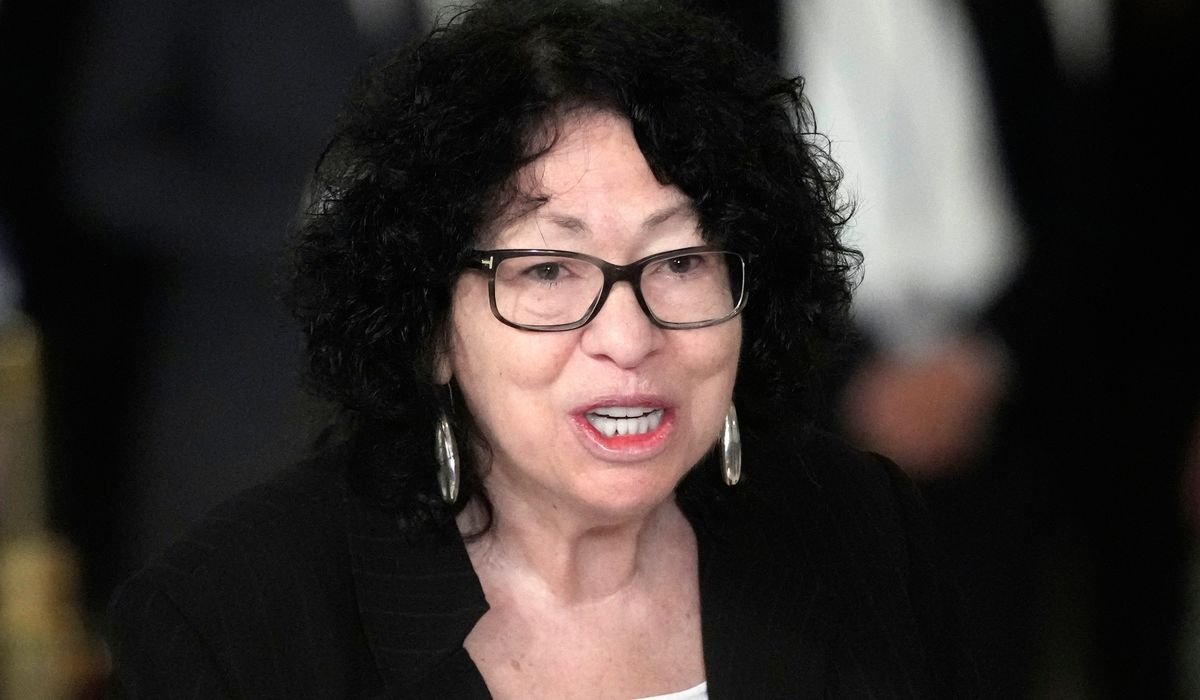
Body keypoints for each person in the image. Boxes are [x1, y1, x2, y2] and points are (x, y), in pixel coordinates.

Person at [105, 1, 977, 697]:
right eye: (550, 270)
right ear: (431, 326)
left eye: (680, 261)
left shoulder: (866, 528)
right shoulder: (232, 624)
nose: (629, 338)